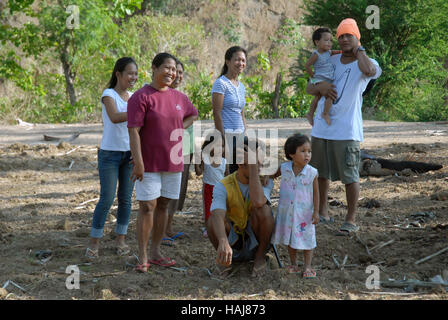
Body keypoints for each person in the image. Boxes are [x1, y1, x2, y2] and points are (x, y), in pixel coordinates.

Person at [306, 18, 382, 234]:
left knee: (350, 176)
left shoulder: (368, 61)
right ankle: (323, 212)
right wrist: (320, 86)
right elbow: (309, 89)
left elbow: (368, 71)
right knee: (320, 173)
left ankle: (350, 219)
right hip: (321, 127)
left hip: (347, 130)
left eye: (349, 35)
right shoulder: (331, 60)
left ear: (357, 37)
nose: (344, 39)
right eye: (341, 36)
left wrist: (359, 50)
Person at [127, 52, 199, 272]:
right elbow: (133, 131)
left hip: (173, 161)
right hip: (148, 162)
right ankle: (143, 255)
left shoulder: (179, 98)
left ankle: (157, 251)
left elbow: (193, 114)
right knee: (148, 206)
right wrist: (138, 162)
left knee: (165, 206)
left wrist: (178, 128)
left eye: (174, 70)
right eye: (167, 68)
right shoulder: (141, 97)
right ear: (155, 68)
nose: (171, 73)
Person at [86, 57, 138, 259]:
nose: (133, 77)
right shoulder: (108, 94)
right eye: (129, 73)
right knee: (106, 199)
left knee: (125, 200)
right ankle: (94, 242)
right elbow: (115, 117)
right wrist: (138, 110)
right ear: (118, 74)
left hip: (129, 154)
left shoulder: (133, 97)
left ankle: (121, 239)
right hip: (109, 154)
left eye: (135, 74)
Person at [206, 136, 275, 277]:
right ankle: (225, 261)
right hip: (233, 242)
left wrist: (253, 166)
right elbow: (217, 215)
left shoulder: (265, 181)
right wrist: (223, 240)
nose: (261, 165)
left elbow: (258, 202)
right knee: (212, 220)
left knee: (265, 210)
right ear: (240, 163)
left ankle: (260, 257)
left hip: (255, 242)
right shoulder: (223, 184)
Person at [271, 134, 319, 278]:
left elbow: (316, 194)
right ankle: (293, 264)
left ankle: (307, 266)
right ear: (291, 154)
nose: (307, 155)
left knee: (307, 239)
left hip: (304, 214)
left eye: (309, 151)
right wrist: (264, 179)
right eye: (303, 151)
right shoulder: (284, 168)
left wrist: (316, 212)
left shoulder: (312, 173)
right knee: (290, 238)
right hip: (287, 211)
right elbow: (272, 176)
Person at [163, 59, 193, 245]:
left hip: (185, 150)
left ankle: (169, 227)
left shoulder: (182, 98)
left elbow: (193, 118)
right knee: (166, 194)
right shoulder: (162, 96)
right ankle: (162, 231)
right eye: (175, 71)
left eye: (181, 72)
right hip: (168, 151)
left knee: (177, 193)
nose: (178, 76)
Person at [211, 46, 248, 174]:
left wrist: (245, 133)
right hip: (226, 134)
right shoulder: (221, 83)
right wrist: (221, 138)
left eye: (243, 60)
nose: (241, 63)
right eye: (237, 60)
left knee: (240, 173)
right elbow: (217, 112)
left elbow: (241, 113)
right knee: (228, 174)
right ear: (228, 62)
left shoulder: (241, 86)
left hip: (239, 135)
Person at [304, 28, 341, 126]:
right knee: (330, 95)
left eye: (330, 40)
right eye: (326, 40)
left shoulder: (328, 52)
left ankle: (310, 114)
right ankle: (325, 113)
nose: (329, 43)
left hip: (327, 79)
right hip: (319, 79)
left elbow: (335, 52)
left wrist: (341, 52)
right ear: (317, 42)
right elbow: (307, 65)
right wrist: (313, 77)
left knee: (318, 97)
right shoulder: (316, 55)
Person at [194, 132, 228, 238]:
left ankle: (220, 227)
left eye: (222, 146)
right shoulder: (206, 159)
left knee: (221, 208)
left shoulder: (224, 161)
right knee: (208, 209)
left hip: (221, 189)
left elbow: (228, 177)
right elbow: (199, 172)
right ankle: (208, 228)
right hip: (208, 188)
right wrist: (196, 162)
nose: (220, 149)